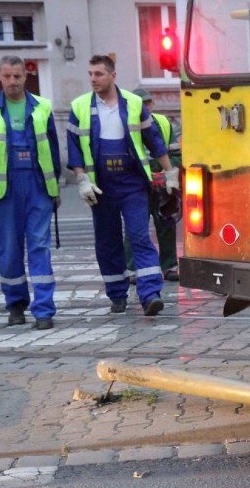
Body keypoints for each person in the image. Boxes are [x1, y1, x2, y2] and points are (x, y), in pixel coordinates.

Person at [66, 55, 178, 316]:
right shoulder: (80, 106)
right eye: (90, 74)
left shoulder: (134, 103)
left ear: (112, 76)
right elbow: (73, 149)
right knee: (108, 242)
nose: (93, 79)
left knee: (139, 237)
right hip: (100, 185)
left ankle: (150, 295)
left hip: (132, 183)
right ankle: (117, 295)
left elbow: (154, 141)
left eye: (99, 74)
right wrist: (82, 179)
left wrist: (169, 172)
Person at [0, 55, 61, 330]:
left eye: (17, 76)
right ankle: (16, 304)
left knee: (39, 248)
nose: (12, 82)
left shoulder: (43, 107)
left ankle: (44, 310)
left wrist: (55, 187)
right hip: (3, 190)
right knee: (9, 250)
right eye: (7, 76)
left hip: (37, 187)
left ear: (26, 76)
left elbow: (52, 149)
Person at [124, 87, 181, 284]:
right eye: (142, 104)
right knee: (135, 227)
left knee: (166, 224)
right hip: (137, 185)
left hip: (161, 185)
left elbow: (174, 153)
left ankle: (169, 266)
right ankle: (131, 268)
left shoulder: (163, 123)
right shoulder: (125, 125)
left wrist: (169, 174)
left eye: (147, 103)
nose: (146, 107)